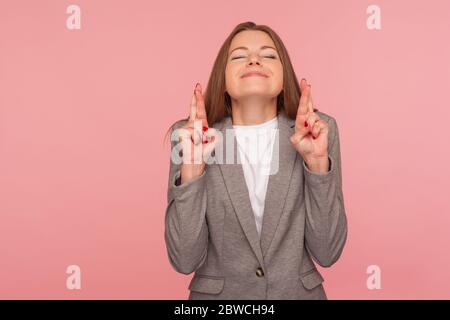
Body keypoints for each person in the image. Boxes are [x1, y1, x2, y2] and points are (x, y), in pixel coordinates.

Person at [164, 21, 348, 300]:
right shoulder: (191, 135)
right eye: (238, 55)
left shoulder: (319, 130)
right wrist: (192, 169)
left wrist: (317, 165)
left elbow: (327, 251)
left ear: (283, 74)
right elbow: (184, 259)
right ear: (222, 79)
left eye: (269, 55)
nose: (253, 60)